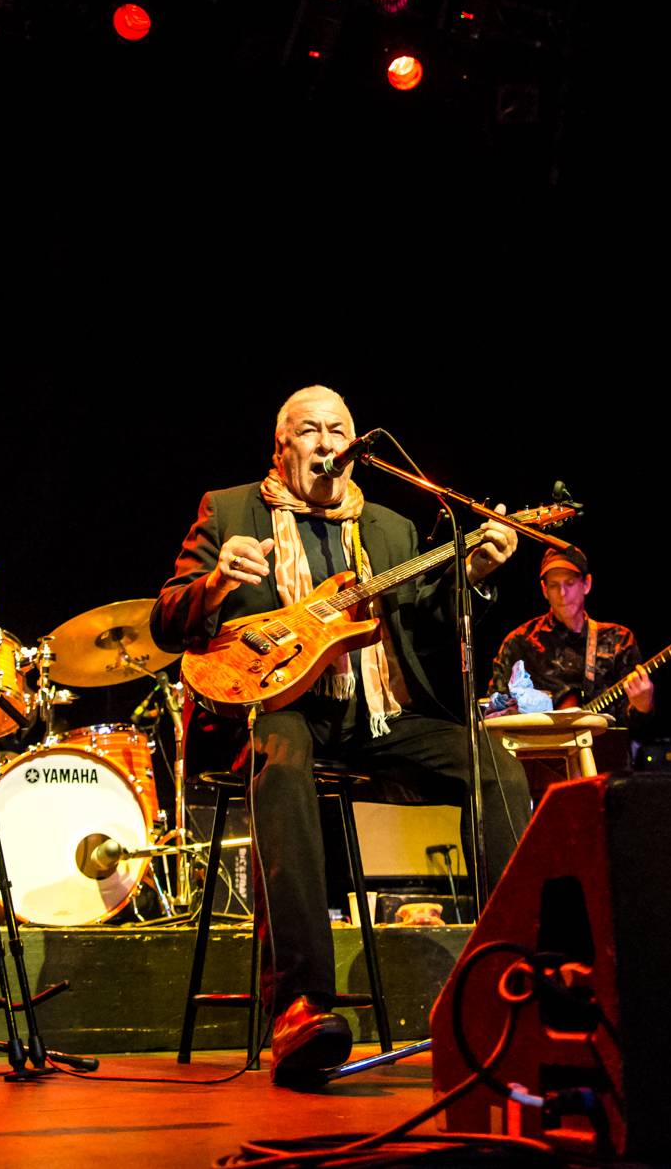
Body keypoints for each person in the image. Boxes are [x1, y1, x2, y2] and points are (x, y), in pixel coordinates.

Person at [151, 385, 530, 1083]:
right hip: (278, 708)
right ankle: (300, 1005)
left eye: (338, 430)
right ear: (282, 446)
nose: (327, 441)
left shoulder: (389, 526)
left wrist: (470, 575)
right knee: (284, 758)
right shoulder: (230, 508)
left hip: (377, 716)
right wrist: (211, 587)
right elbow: (168, 620)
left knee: (496, 765)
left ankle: (515, 976)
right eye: (309, 430)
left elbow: (426, 630)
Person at [487, 546, 654, 719]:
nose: (562, 593)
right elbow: (494, 710)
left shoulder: (619, 639)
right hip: (541, 745)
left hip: (606, 744)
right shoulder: (519, 642)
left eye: (570, 583)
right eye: (553, 585)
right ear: (544, 590)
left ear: (586, 584)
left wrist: (643, 705)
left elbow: (637, 728)